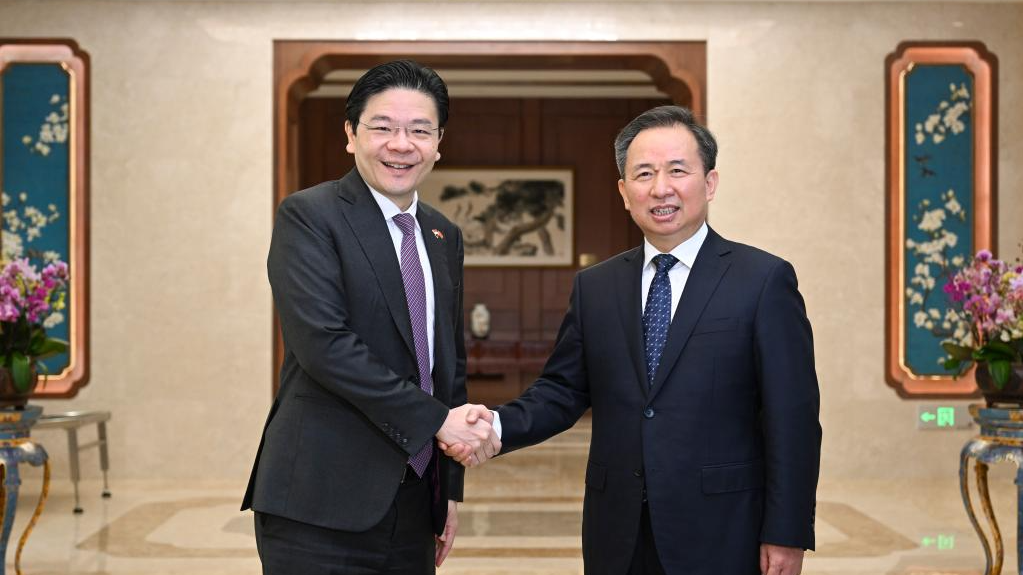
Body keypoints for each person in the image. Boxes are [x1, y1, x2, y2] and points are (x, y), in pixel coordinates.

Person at [446, 105, 821, 575]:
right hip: (617, 531)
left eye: (677, 171)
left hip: (724, 529)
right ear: (625, 192)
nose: (661, 188)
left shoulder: (763, 280)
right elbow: (562, 392)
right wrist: (495, 428)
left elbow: (793, 419)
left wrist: (786, 532)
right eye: (644, 174)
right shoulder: (595, 287)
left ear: (709, 183)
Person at [242, 59, 500, 575]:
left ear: (438, 142)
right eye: (382, 127)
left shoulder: (442, 233)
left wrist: (448, 492)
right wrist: (439, 421)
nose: (401, 145)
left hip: (412, 502)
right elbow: (325, 346)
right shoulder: (310, 216)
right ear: (351, 135)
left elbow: (447, 367)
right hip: (319, 502)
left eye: (419, 130)